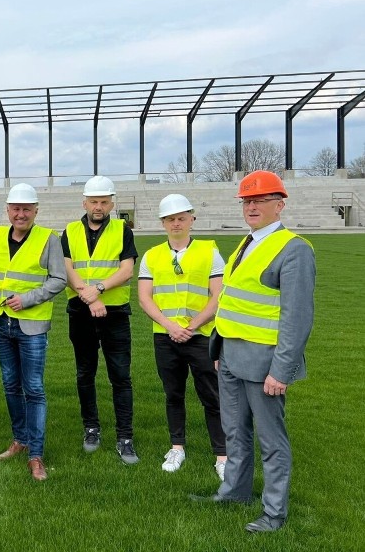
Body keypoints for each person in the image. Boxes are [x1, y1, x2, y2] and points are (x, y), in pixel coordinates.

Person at [190, 171, 315, 534]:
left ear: (280, 204)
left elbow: (298, 317)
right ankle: (234, 493)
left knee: (271, 442)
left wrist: (283, 370)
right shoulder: (248, 242)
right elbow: (232, 301)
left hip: (265, 364)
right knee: (234, 432)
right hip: (229, 354)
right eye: (247, 201)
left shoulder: (295, 249)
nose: (252, 206)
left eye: (260, 200)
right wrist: (220, 347)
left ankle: (274, 513)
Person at [137, 194, 227, 480]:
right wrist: (169, 326)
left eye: (181, 218)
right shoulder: (151, 256)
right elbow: (145, 298)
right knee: (173, 394)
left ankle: (222, 455)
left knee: (211, 397)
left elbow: (218, 295)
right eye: (170, 219)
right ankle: (177, 447)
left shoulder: (209, 251)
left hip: (200, 337)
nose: (176, 223)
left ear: (191, 220)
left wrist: (192, 325)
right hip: (166, 337)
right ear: (163, 223)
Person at [0, 183, 66, 481]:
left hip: (31, 325)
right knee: (9, 384)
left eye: (26, 209)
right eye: (16, 209)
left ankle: (36, 454)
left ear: (35, 211)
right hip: (2, 323)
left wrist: (27, 299)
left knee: (33, 388)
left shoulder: (49, 239)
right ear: (8, 210)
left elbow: (59, 279)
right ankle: (20, 439)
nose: (21, 214)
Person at [62, 176, 139, 464]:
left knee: (120, 376)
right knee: (85, 374)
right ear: (84, 202)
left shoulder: (122, 229)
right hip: (81, 312)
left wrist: (99, 290)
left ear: (112, 203)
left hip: (115, 313)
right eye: (94, 201)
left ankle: (125, 436)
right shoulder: (69, 231)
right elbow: (68, 269)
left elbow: (127, 269)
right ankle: (91, 428)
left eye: (104, 201)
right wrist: (90, 297)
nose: (99, 206)